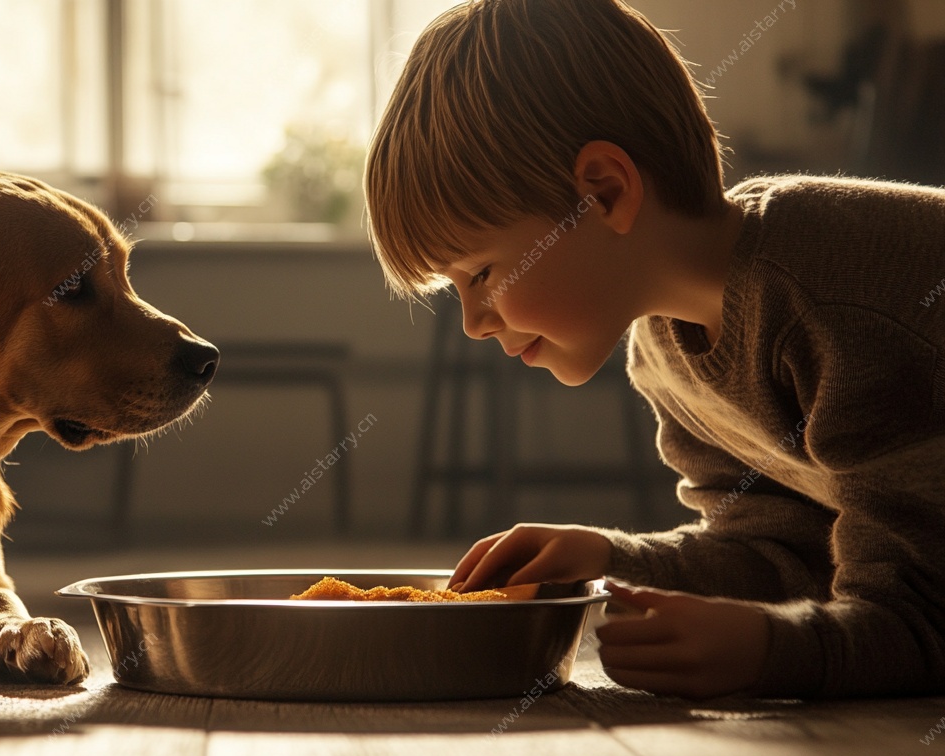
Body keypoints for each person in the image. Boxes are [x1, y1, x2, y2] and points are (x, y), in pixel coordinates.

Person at [364, 0, 945, 699]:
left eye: (481, 274)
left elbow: (924, 615)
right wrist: (615, 557)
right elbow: (788, 552)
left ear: (603, 193)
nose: (474, 324)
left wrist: (771, 652)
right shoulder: (664, 354)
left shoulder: (831, 300)